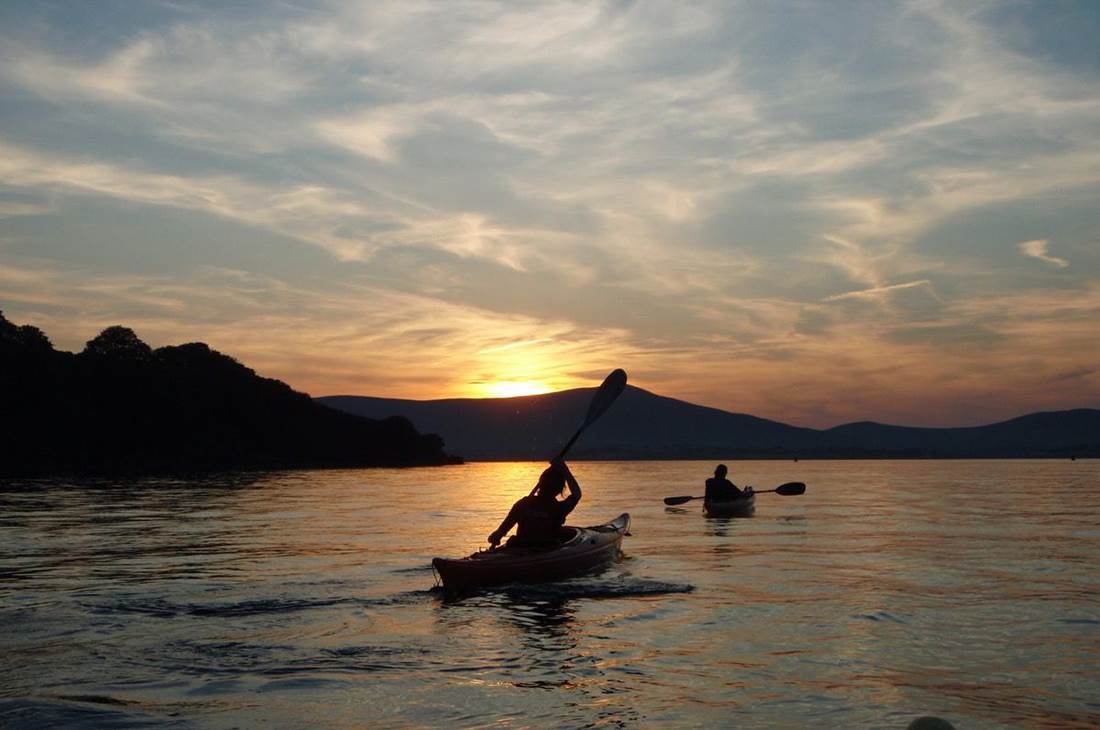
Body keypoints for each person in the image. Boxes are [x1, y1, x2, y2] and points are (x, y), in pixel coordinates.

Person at [488, 459, 581, 548]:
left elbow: (504, 527)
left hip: (521, 545)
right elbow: (577, 494)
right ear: (559, 489)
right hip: (547, 546)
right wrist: (565, 469)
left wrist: (497, 535)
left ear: (540, 485)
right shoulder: (559, 508)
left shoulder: (523, 504)